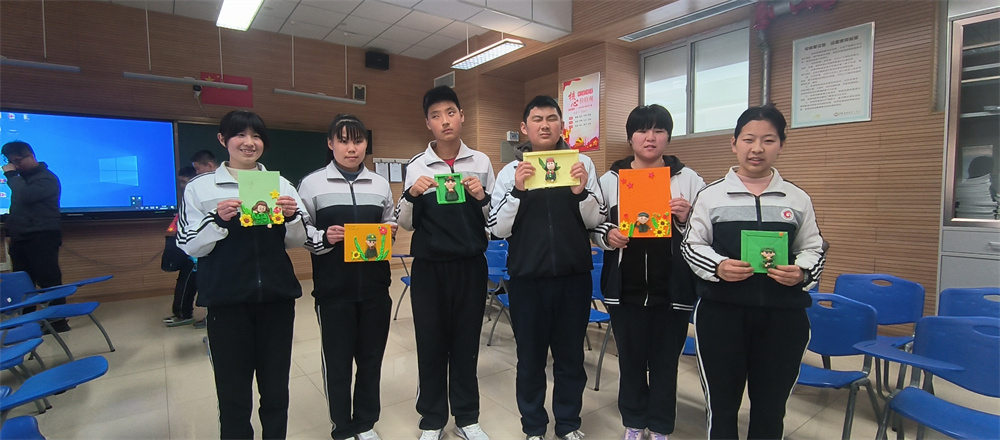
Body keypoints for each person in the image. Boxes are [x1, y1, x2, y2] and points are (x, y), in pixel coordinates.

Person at [681, 104, 825, 439]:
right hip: (721, 314)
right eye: (748, 139)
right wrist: (718, 266)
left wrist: (801, 272)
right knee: (722, 406)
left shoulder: (797, 198)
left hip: (782, 317)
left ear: (781, 145)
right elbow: (691, 245)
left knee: (771, 409)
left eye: (768, 140)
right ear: (734, 144)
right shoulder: (711, 195)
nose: (757, 148)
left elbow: (814, 247)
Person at [177, 110, 305, 439]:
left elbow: (297, 241)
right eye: (240, 135)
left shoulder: (281, 185)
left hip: (276, 301)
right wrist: (217, 221)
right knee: (233, 393)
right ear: (223, 140)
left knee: (276, 390)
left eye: (257, 136)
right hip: (227, 304)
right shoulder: (200, 187)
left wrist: (292, 217)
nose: (249, 143)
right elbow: (190, 245)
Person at [488, 95, 605, 440]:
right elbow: (497, 228)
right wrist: (518, 191)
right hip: (528, 280)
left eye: (551, 118)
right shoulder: (510, 172)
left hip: (574, 278)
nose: (544, 125)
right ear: (524, 128)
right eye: (537, 119)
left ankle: (568, 424)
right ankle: (534, 427)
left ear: (561, 125)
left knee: (571, 359)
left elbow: (596, 219)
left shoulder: (581, 163)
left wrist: (581, 192)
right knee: (530, 360)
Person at [591, 104, 705, 440]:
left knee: (666, 365)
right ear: (630, 138)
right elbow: (593, 225)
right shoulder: (610, 180)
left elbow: (705, 233)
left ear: (668, 137)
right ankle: (634, 422)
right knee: (631, 362)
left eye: (658, 130)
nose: (650, 137)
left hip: (672, 290)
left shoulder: (688, 179)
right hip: (624, 290)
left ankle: (660, 427)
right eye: (642, 130)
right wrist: (608, 236)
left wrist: (685, 218)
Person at [395, 86, 495, 440]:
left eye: (450, 113)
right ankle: (432, 419)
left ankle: (467, 418)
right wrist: (412, 194)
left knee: (466, 344)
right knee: (431, 343)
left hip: (470, 266)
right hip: (429, 268)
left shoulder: (481, 162)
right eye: (436, 116)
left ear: (462, 116)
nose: (445, 121)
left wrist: (482, 196)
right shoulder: (416, 165)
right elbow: (405, 223)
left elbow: (494, 219)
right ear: (428, 123)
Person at [297, 114, 396, 440]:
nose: (351, 148)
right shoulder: (312, 184)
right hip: (333, 291)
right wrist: (325, 237)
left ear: (366, 144)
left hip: (375, 289)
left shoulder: (380, 184)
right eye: (343, 141)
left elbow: (389, 221)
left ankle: (365, 423)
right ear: (330, 144)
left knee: (371, 361)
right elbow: (299, 232)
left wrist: (389, 231)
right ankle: (342, 426)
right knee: (337, 364)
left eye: (358, 141)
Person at [1, 141, 70, 332]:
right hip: (21, 238)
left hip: (42, 237)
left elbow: (26, 196)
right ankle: (27, 320)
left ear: (31, 156)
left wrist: (11, 175)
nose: (15, 166)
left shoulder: (46, 178)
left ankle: (58, 322)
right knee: (23, 282)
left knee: (49, 279)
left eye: (17, 161)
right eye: (10, 162)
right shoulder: (22, 179)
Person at [163, 165, 199, 327]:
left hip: (196, 252)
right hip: (187, 248)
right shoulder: (187, 199)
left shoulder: (200, 197)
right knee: (184, 282)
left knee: (188, 283)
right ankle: (182, 313)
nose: (182, 186)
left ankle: (184, 314)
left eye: (184, 182)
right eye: (180, 182)